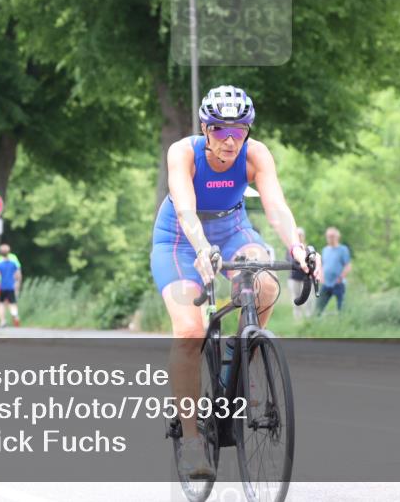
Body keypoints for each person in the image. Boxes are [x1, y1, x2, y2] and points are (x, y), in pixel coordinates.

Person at [150, 85, 319, 479]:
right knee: (190, 330)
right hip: (179, 238)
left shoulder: (255, 154)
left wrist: (295, 247)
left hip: (233, 229)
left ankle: (243, 360)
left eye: (239, 131)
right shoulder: (184, 152)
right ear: (206, 130)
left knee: (264, 283)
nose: (231, 140)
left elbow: (275, 205)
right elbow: (186, 206)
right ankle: (192, 442)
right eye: (221, 131)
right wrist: (201, 246)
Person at [317, 227, 352, 314]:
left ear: (337, 237)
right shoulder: (325, 250)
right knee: (318, 308)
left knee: (342, 308)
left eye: (332, 236)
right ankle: (313, 323)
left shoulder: (343, 250)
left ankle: (343, 323)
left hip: (338, 284)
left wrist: (341, 277)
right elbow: (322, 265)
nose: (330, 238)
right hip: (326, 283)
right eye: (328, 236)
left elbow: (348, 266)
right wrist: (321, 276)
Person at [287, 227, 313, 319]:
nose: (299, 237)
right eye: (297, 235)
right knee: (296, 298)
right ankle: (297, 319)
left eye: (301, 235)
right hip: (294, 277)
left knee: (308, 299)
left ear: (303, 236)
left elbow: (313, 263)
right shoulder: (291, 249)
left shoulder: (308, 248)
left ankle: (308, 318)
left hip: (307, 277)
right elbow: (290, 262)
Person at [0, 248, 22, 328]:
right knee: (12, 303)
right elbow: (18, 275)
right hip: (11, 286)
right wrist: (18, 284)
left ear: (1, 254)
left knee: (1, 304)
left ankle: (2, 321)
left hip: (2, 287)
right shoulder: (13, 264)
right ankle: (15, 315)